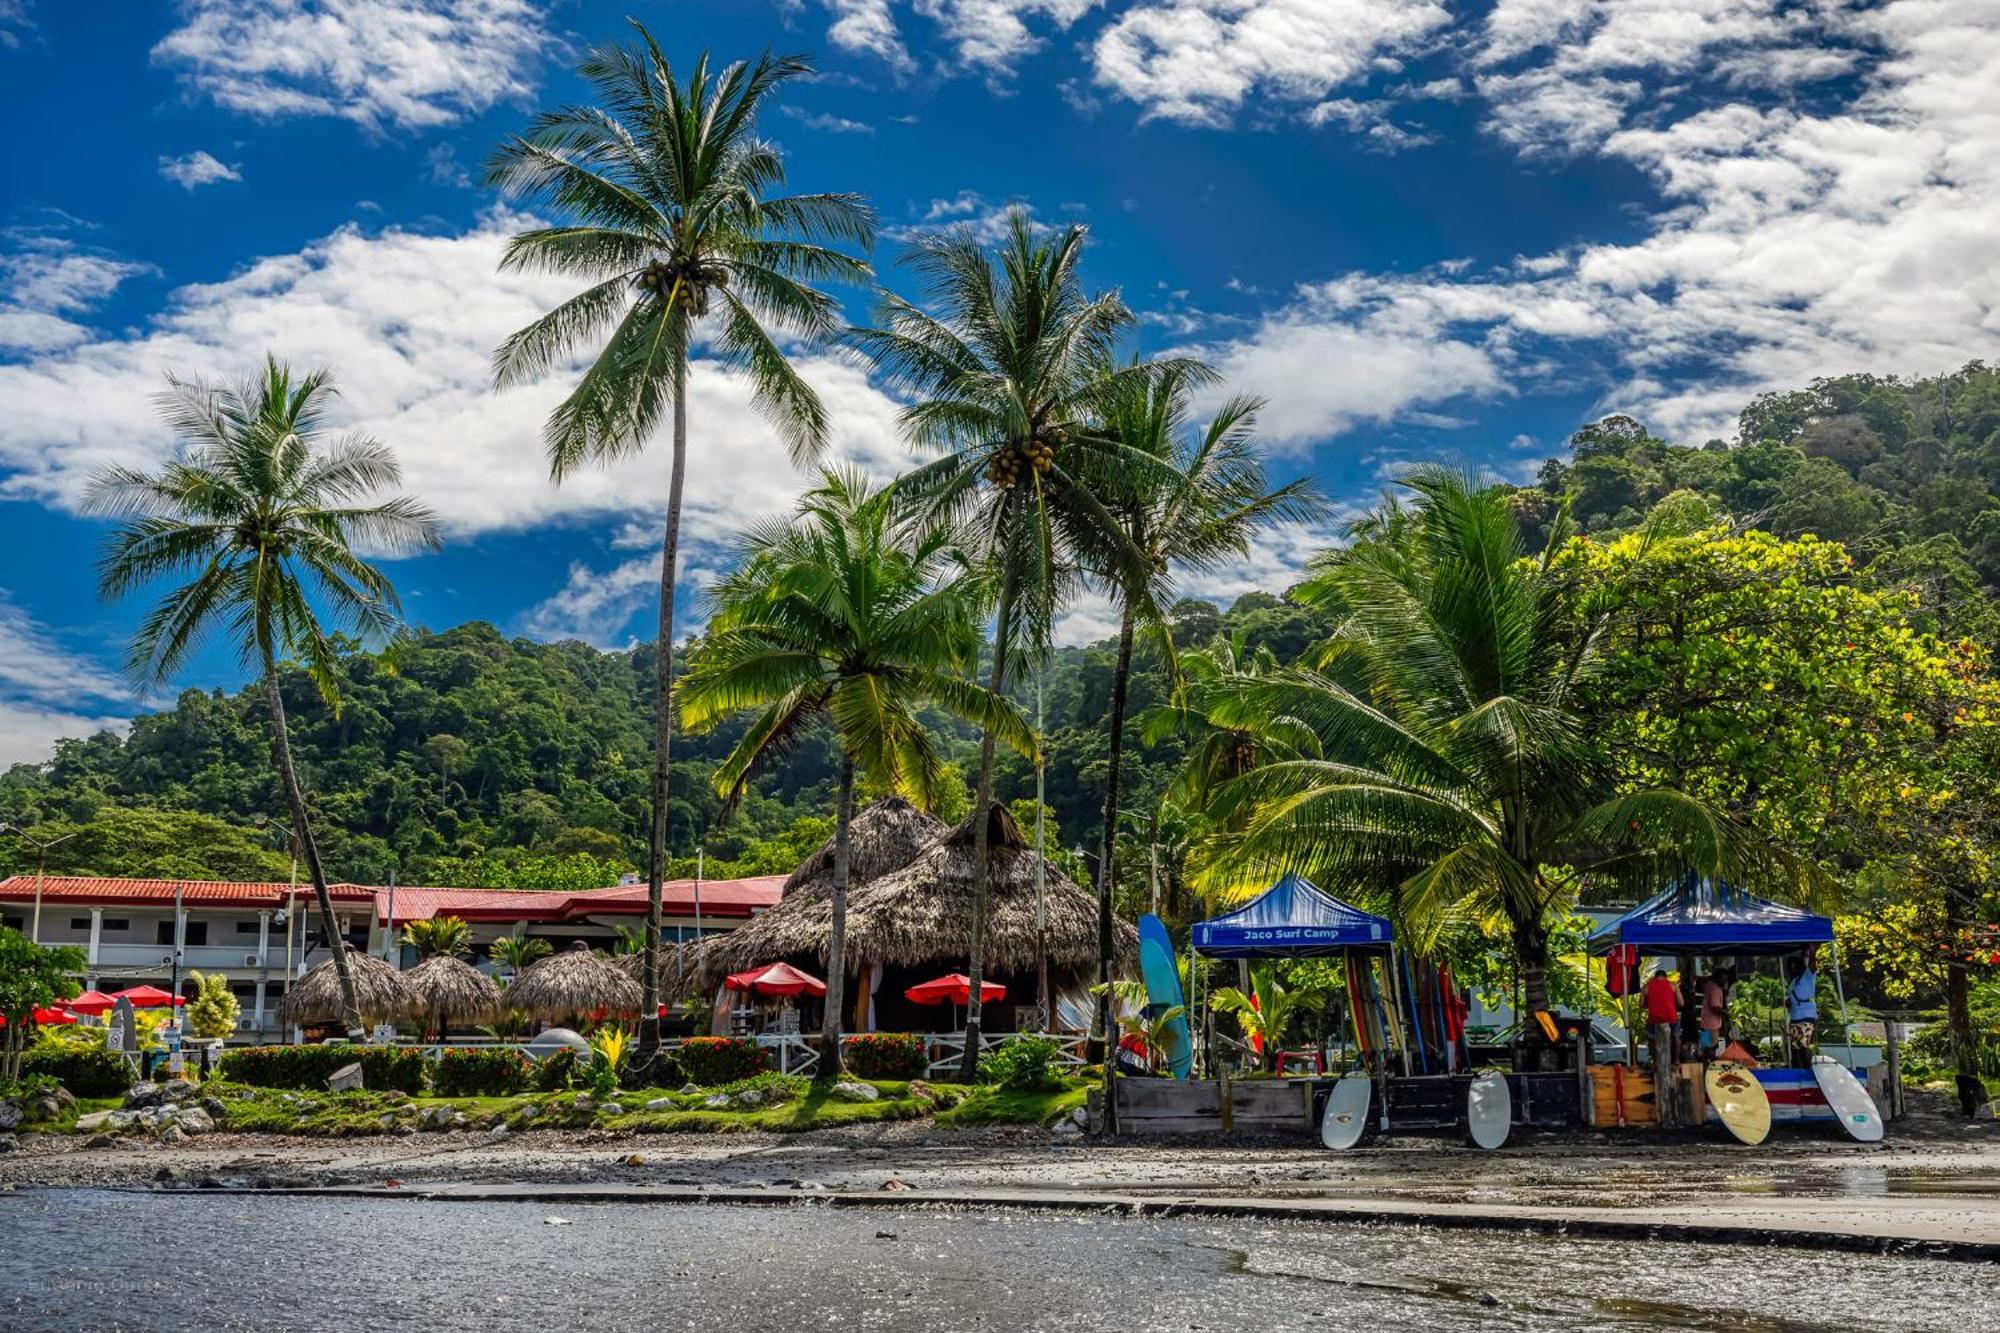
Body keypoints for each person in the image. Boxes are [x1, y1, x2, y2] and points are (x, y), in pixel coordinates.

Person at [1641, 965, 1680, 1070]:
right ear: (1665, 977)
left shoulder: (1646, 986)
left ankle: (1654, 1061)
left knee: (1650, 1038)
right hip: (1671, 1017)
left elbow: (1641, 1004)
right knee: (1676, 1036)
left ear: (1655, 977)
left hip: (1654, 1019)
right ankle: (1676, 1060)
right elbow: (1681, 1003)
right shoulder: (1673, 985)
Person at [1785, 953, 1819, 1069]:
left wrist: (1813, 952)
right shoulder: (1793, 982)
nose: (1791, 969)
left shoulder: (1808, 976)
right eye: (1789, 967)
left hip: (1807, 1016)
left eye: (1793, 966)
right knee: (1795, 1048)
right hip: (1795, 1017)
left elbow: (1812, 965)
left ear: (1799, 966)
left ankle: (1809, 1071)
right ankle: (1799, 1071)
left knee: (1804, 1046)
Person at [1699, 967, 1729, 1057]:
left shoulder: (1709, 985)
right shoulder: (1715, 989)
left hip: (1705, 1021)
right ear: (1718, 978)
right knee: (1712, 1046)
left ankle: (1705, 1065)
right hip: (1712, 1024)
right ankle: (1709, 1064)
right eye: (1723, 979)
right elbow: (1715, 1007)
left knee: (1705, 1045)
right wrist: (1727, 1013)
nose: (1724, 982)